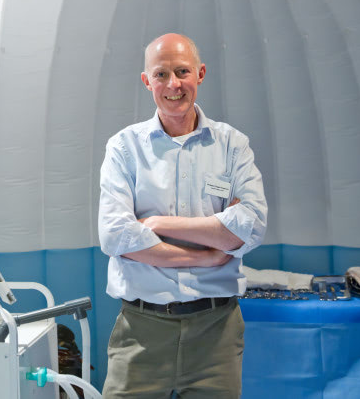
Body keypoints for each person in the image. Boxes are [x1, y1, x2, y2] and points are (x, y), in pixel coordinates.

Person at [98, 33, 267, 398]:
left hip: (216, 335)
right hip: (141, 332)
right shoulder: (125, 148)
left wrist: (156, 225)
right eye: (161, 74)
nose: (173, 84)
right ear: (147, 81)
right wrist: (208, 255)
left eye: (182, 71)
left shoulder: (232, 145)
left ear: (200, 73)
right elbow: (115, 236)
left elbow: (250, 226)